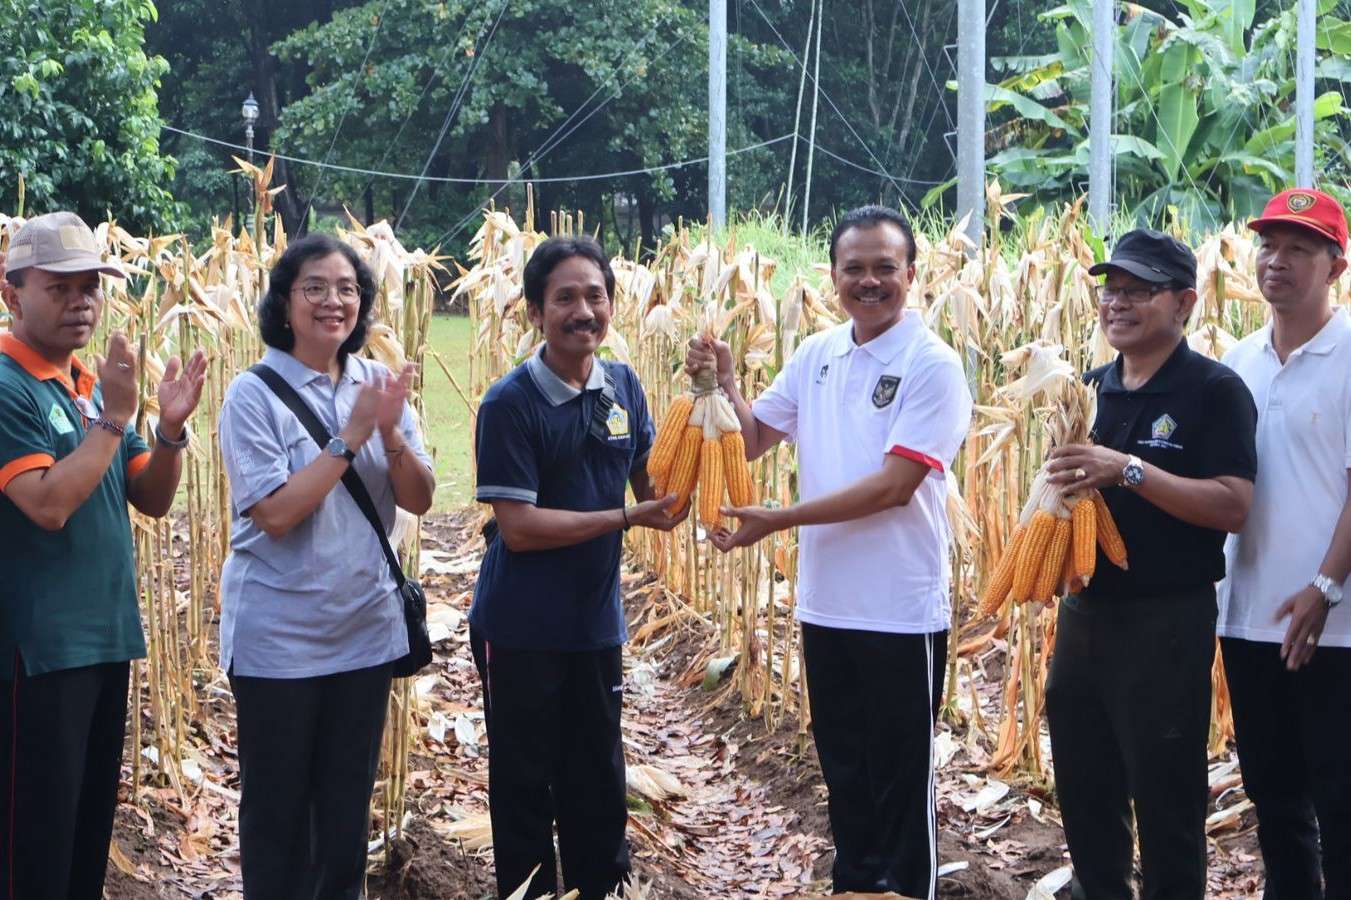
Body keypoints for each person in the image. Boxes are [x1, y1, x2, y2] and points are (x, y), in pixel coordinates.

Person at [685, 205, 973, 899]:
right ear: (832, 276)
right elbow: (753, 437)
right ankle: (853, 887)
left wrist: (778, 518)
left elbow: (893, 487)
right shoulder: (817, 353)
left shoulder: (930, 365)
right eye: (854, 269)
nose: (869, 281)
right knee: (843, 772)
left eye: (884, 268)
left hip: (899, 609)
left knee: (899, 780)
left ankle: (907, 889)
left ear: (911, 273)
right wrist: (724, 380)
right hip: (826, 603)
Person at [217, 233, 435, 899]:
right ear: (285, 302)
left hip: (364, 634)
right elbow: (278, 514)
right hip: (279, 640)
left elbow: (418, 497)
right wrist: (351, 439)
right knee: (279, 816)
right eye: (314, 287)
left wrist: (392, 434)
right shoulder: (251, 395)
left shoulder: (377, 384)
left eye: (347, 289)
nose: (332, 301)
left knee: (344, 816)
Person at [470, 235, 687, 900]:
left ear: (611, 305)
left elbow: (661, 497)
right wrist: (625, 518)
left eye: (595, 296)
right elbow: (521, 528)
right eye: (565, 298)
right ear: (536, 312)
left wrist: (708, 407)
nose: (583, 310)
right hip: (520, 629)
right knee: (525, 789)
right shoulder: (509, 405)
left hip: (593, 626)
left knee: (596, 784)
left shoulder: (620, 385)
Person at [1043, 229, 1257, 900]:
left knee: (1163, 792)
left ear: (1184, 302)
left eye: (1138, 291)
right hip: (1084, 613)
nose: (1116, 303)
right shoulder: (1089, 389)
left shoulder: (1212, 390)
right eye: (1110, 289)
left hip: (1165, 618)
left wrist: (1128, 469)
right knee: (1083, 779)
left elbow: (1231, 505)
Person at [0, 212, 206, 899]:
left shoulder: (90, 382)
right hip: (39, 653)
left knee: (84, 839)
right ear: (12, 294)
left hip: (105, 640)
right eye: (58, 287)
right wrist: (115, 417)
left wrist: (169, 430)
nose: (80, 301)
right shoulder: (8, 386)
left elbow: (148, 496)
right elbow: (48, 504)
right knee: (33, 848)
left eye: (90, 286)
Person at [1217, 188, 1351, 899]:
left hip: (1334, 625)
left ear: (1334, 265)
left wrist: (1325, 587)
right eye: (1268, 245)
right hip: (1246, 618)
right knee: (1273, 797)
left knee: (1339, 798)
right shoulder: (1235, 362)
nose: (1277, 261)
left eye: (1298, 248)